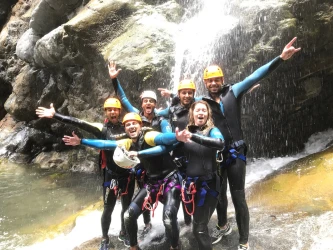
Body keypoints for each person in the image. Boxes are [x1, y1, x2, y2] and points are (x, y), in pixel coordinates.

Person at [199, 37, 301, 250]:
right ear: (205, 83)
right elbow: (182, 106)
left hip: (236, 154)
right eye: (210, 80)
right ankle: (223, 225)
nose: (214, 83)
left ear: (222, 79)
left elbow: (256, 74)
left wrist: (281, 58)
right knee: (218, 195)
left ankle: (244, 242)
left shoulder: (233, 91)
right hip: (217, 155)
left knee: (238, 198)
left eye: (217, 79)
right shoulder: (201, 102)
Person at [63, 112, 184, 250]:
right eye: (128, 125)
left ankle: (175, 246)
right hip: (152, 183)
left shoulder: (148, 136)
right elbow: (105, 144)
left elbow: (162, 137)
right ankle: (134, 247)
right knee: (128, 216)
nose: (131, 126)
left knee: (168, 218)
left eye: (134, 123)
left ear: (140, 125)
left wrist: (175, 136)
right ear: (125, 128)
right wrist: (81, 141)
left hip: (170, 181)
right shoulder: (128, 142)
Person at [36, 98, 132, 250]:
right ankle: (105, 238)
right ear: (106, 112)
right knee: (108, 209)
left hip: (127, 175)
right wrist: (55, 115)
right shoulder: (102, 129)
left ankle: (124, 232)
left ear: (120, 111)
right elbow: (79, 122)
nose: (113, 112)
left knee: (126, 207)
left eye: (115, 109)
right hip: (111, 175)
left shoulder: (127, 127)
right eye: (109, 109)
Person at [176, 100, 225, 250]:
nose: (201, 113)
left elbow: (220, 143)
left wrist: (193, 136)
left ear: (208, 114)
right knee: (197, 226)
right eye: (198, 110)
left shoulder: (212, 130)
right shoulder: (186, 131)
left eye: (204, 110)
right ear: (192, 113)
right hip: (191, 186)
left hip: (208, 186)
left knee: (200, 228)